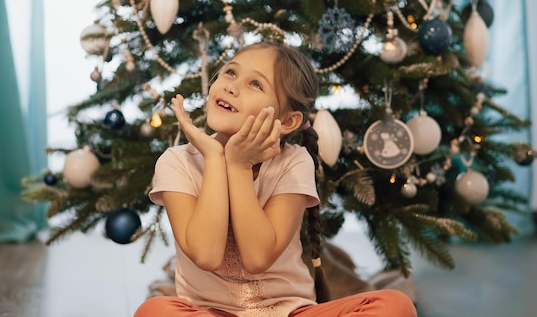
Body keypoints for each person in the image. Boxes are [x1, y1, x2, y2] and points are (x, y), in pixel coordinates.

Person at [134, 41, 417, 317]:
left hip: (289, 312)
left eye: (255, 84)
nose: (231, 86)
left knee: (396, 305)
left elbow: (257, 258)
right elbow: (206, 255)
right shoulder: (178, 162)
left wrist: (238, 166)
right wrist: (214, 158)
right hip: (209, 312)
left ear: (288, 122)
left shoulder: (293, 162)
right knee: (154, 311)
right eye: (231, 72)